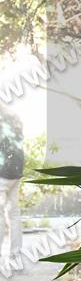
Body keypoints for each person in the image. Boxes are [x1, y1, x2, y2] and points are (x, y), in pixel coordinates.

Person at [0, 106, 24, 259]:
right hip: (17, 171)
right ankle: (16, 253)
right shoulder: (15, 117)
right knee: (14, 213)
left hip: (2, 172)